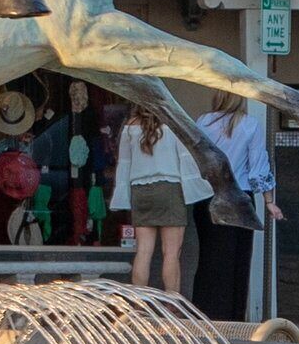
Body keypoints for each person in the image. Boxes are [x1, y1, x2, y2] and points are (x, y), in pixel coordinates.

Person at [191, 95, 272, 323]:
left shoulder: (203, 122)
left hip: (207, 195)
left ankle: (205, 313)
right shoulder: (250, 124)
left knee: (209, 257)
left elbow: (195, 161)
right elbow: (258, 167)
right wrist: (269, 200)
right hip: (239, 197)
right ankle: (233, 317)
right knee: (238, 260)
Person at [115, 104, 207, 297]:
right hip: (170, 189)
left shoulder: (130, 126)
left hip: (140, 191)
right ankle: (172, 303)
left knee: (143, 251)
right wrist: (197, 188)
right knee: (172, 253)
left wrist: (123, 196)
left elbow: (124, 165)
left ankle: (139, 302)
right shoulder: (173, 124)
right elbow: (186, 159)